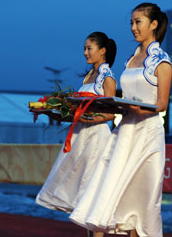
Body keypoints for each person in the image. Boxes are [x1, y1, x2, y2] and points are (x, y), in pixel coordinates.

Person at [70, 3, 172, 237]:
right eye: (132, 23)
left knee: (141, 200)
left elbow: (162, 104)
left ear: (153, 24)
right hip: (125, 132)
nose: (133, 28)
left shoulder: (162, 61)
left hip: (148, 135)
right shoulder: (131, 59)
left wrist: (137, 108)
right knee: (118, 198)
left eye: (138, 22)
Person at [36, 31, 117, 214]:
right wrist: (54, 111)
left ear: (102, 50)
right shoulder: (88, 77)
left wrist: (83, 117)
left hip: (96, 137)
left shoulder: (108, 78)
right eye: (84, 49)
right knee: (79, 189)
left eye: (89, 48)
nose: (85, 53)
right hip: (80, 134)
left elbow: (110, 114)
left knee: (91, 190)